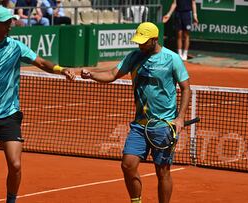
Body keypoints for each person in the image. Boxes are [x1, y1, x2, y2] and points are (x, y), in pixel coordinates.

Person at [0, 6, 75, 203]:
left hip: (9, 114)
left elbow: (41, 63)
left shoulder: (16, 46)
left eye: (11, 21)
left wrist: (62, 69)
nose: (11, 25)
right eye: (6, 22)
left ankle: (11, 201)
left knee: (15, 165)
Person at [80, 22, 191, 203]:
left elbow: (186, 88)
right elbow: (112, 74)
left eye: (144, 41)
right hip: (139, 125)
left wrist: (180, 118)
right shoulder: (134, 57)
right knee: (127, 165)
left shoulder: (172, 59)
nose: (140, 45)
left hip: (164, 126)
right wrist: (92, 74)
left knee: (162, 171)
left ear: (154, 40)